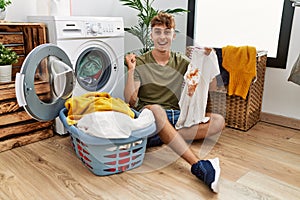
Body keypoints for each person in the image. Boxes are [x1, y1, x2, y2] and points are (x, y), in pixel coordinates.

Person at [124, 12, 225, 193]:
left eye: (167, 32)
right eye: (157, 32)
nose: (162, 37)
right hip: (150, 115)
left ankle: (162, 136)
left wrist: (208, 58)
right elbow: (130, 101)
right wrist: (131, 70)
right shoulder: (141, 62)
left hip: (177, 117)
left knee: (218, 121)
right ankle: (198, 166)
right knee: (156, 109)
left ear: (173, 35)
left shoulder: (183, 62)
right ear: (151, 35)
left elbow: (211, 87)